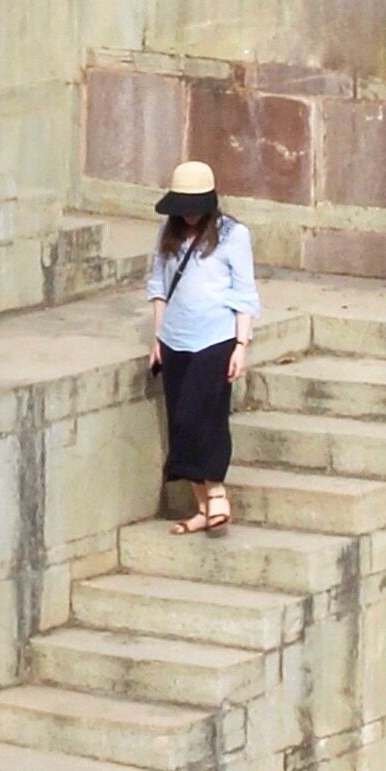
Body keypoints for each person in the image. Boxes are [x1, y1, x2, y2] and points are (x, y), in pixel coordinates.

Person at [147, 160, 259, 533]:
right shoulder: (169, 232)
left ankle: (217, 493)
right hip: (176, 338)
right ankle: (202, 507)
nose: (190, 215)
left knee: (203, 414)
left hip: (216, 337)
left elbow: (245, 293)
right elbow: (159, 286)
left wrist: (241, 344)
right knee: (181, 419)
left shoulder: (233, 235)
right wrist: (157, 338)